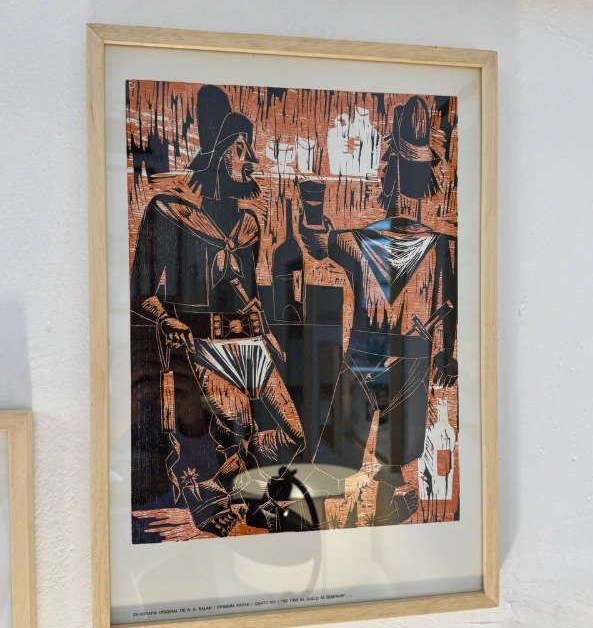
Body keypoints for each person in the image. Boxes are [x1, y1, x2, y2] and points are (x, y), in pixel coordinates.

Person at [130, 86, 304, 536]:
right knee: (239, 424)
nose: (252, 160)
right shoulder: (169, 213)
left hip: (250, 345)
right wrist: (165, 318)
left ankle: (238, 483)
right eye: (241, 149)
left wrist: (266, 332)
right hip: (204, 346)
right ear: (219, 152)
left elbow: (247, 292)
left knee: (292, 435)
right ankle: (217, 488)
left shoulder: (249, 225)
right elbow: (141, 292)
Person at [300, 95, 457, 524]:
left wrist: (448, 354)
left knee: (389, 462)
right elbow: (318, 241)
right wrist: (313, 207)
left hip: (399, 357)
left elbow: (318, 240)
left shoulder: (433, 247)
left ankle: (375, 500)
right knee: (346, 461)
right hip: (380, 355)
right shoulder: (372, 242)